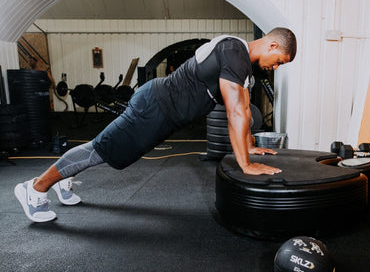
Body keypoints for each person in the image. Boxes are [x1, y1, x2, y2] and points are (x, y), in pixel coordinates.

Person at [14, 27, 297, 223]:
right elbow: (235, 111)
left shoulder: (244, 68)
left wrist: (250, 146)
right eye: (279, 61)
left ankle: (62, 179)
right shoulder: (234, 51)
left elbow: (245, 110)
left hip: (163, 115)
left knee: (119, 156)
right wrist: (245, 164)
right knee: (99, 150)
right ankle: (36, 189)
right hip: (154, 107)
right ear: (272, 45)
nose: (276, 66)